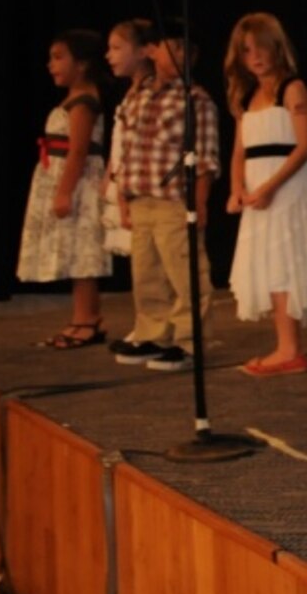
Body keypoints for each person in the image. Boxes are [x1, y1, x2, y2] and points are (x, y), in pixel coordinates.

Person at [223, 12, 307, 375]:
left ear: (276, 48)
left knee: (285, 261)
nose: (255, 56)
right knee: (268, 263)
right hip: (258, 191)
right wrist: (237, 188)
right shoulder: (247, 96)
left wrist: (270, 186)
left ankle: (290, 350)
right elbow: (240, 150)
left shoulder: (292, 89)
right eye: (247, 50)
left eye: (262, 48)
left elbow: (305, 146)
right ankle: (285, 346)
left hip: (284, 186)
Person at [109, 23, 221, 372]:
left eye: (187, 50)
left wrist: (199, 202)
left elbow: (205, 157)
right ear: (152, 51)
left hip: (174, 200)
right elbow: (127, 152)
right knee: (147, 273)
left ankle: (190, 340)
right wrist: (124, 201)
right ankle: (154, 334)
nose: (179, 56)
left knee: (186, 273)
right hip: (141, 198)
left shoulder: (195, 99)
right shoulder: (137, 94)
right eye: (171, 46)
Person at [18, 29, 111, 349]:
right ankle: (82, 317)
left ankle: (88, 320)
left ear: (82, 64)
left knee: (83, 253)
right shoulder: (74, 97)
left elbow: (79, 150)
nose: (51, 65)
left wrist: (64, 191)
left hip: (78, 183)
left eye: (59, 58)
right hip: (63, 177)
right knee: (74, 253)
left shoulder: (85, 101)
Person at [102, 20, 157, 359]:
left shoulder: (152, 90)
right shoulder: (132, 91)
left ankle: (154, 327)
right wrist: (111, 174)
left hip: (140, 185)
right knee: (141, 262)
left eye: (117, 48)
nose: (109, 55)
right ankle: (145, 323)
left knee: (151, 262)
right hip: (125, 181)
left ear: (141, 52)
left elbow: (141, 145)